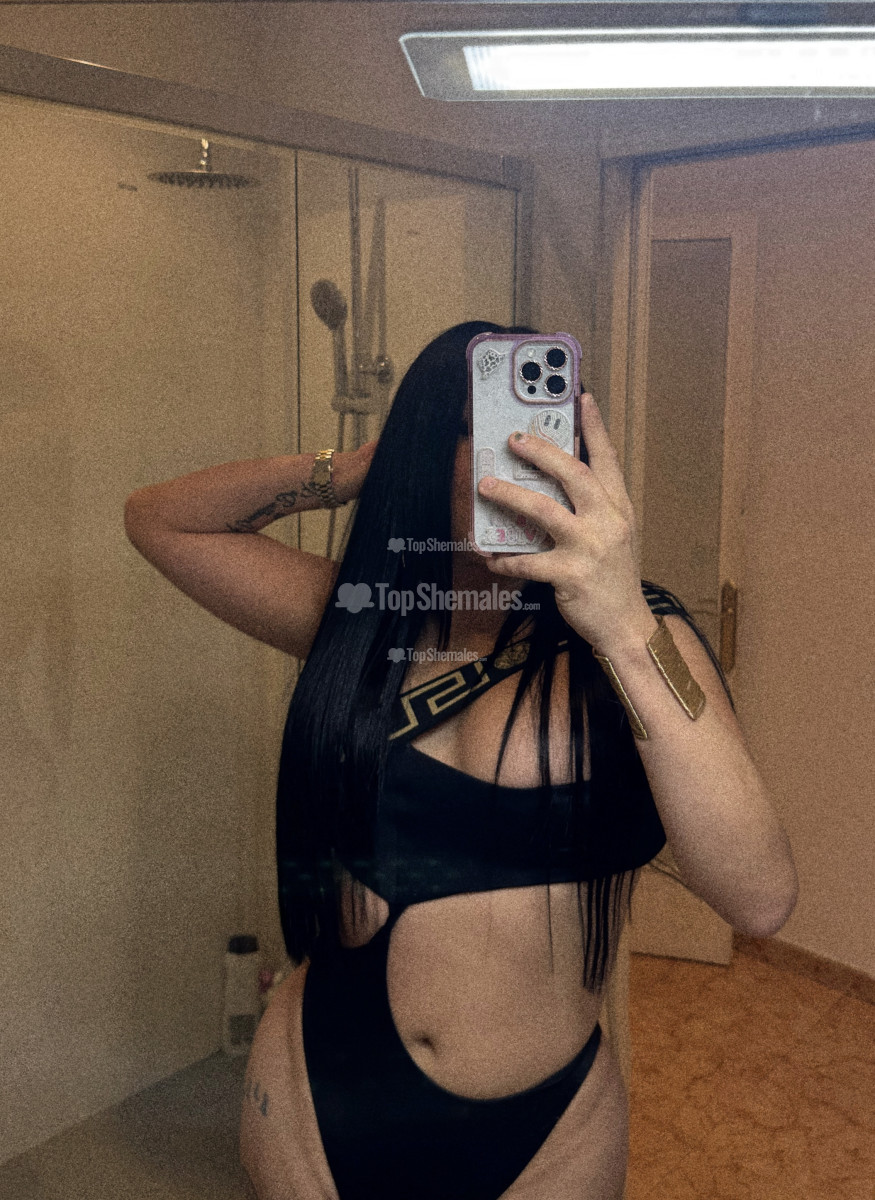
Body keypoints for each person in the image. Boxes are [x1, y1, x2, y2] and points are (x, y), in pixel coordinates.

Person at [124, 321, 798, 1200]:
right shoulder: (361, 621)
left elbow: (758, 897)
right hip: (312, 1091)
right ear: (427, 453)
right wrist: (353, 469)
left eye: (544, 433)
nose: (523, 457)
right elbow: (161, 519)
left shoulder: (634, 638)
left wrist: (620, 620)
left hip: (542, 1135)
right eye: (490, 429)